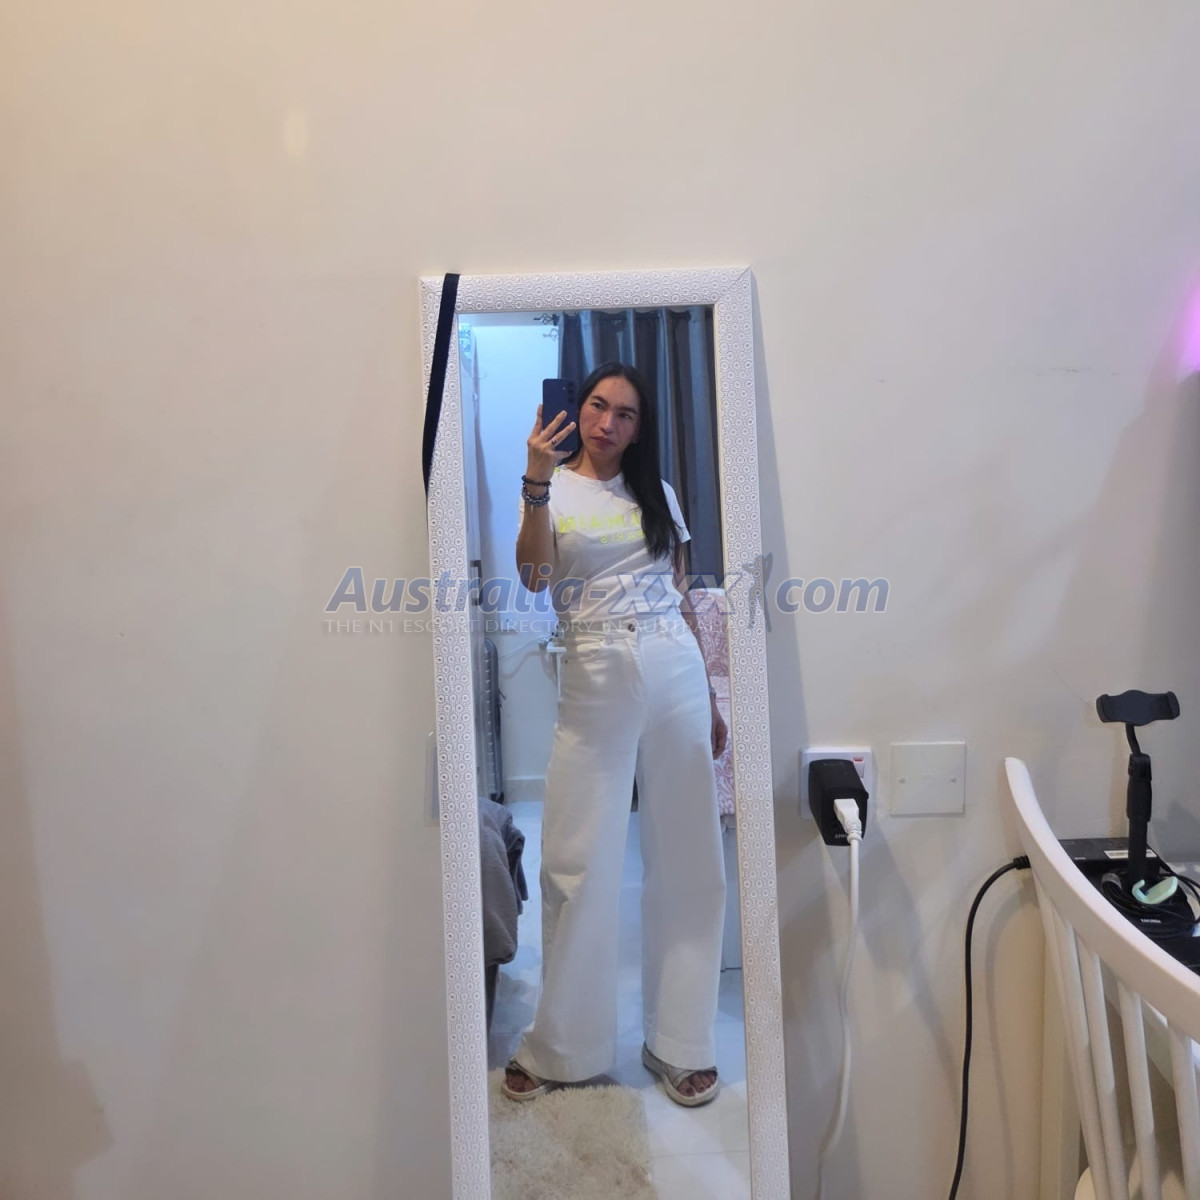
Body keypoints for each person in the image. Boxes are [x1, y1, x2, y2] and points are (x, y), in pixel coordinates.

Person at [503, 361, 728, 1107]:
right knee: (577, 859)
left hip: (673, 663)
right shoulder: (552, 489)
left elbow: (681, 592)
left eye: (625, 414)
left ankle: (681, 1042)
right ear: (578, 410)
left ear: (639, 428)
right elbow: (535, 579)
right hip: (594, 664)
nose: (607, 423)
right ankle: (563, 1045)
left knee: (691, 854)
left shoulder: (655, 490)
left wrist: (710, 693)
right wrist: (537, 481)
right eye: (598, 406)